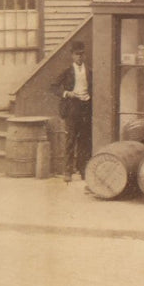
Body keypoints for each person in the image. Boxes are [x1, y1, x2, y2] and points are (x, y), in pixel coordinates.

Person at [52, 41, 93, 182]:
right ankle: (68, 171)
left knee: (84, 140)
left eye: (82, 54)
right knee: (70, 139)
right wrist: (66, 93)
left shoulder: (89, 71)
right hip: (72, 107)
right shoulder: (67, 71)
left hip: (86, 107)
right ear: (72, 55)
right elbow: (53, 87)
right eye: (77, 54)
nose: (79, 57)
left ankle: (82, 170)